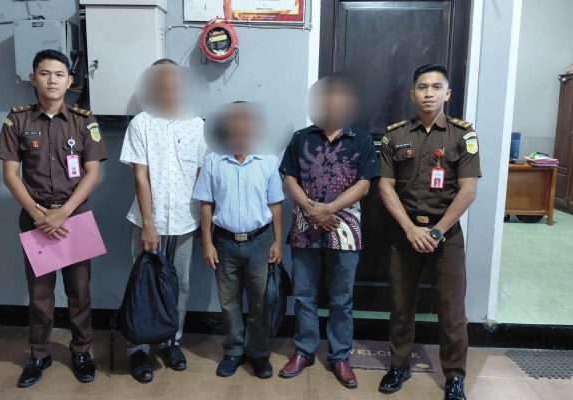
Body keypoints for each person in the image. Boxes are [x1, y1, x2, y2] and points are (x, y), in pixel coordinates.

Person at [0, 49, 107, 388]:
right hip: (36, 218)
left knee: (79, 292)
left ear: (70, 81)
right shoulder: (17, 121)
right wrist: (38, 214)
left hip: (75, 217)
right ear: (33, 79)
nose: (52, 80)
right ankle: (39, 354)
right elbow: (10, 174)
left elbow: (93, 173)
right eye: (45, 73)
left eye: (59, 74)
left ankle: (82, 351)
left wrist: (64, 212)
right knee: (40, 295)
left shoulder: (84, 121)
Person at [377, 64, 481, 400]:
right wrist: (410, 229)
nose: (429, 93)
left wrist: (436, 232)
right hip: (404, 234)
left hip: (446, 236)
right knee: (401, 306)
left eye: (436, 87)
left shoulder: (462, 135)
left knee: (452, 312)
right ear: (412, 94)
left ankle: (454, 377)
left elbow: (468, 190)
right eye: (422, 87)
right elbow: (385, 186)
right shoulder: (394, 136)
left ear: (447, 94)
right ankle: (399, 365)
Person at [278, 75, 379, 389]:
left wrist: (329, 208)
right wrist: (312, 211)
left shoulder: (361, 140)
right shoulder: (301, 138)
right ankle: (304, 350)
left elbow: (365, 185)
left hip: (345, 230)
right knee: (304, 295)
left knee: (341, 298)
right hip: (305, 228)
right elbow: (289, 178)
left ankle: (339, 356)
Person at [119, 58, 207, 383]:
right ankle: (138, 349)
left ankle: (172, 341)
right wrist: (148, 223)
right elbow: (140, 176)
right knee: (144, 284)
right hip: (149, 221)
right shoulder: (141, 123)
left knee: (180, 284)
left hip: (185, 221)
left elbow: (200, 176)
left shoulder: (197, 124)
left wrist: (205, 226)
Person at [192, 102, 284, 379]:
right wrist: (207, 242)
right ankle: (233, 350)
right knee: (228, 301)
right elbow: (206, 203)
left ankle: (258, 352)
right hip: (224, 242)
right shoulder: (213, 161)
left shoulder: (268, 161)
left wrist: (278, 241)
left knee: (260, 301)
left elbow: (275, 204)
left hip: (260, 241)